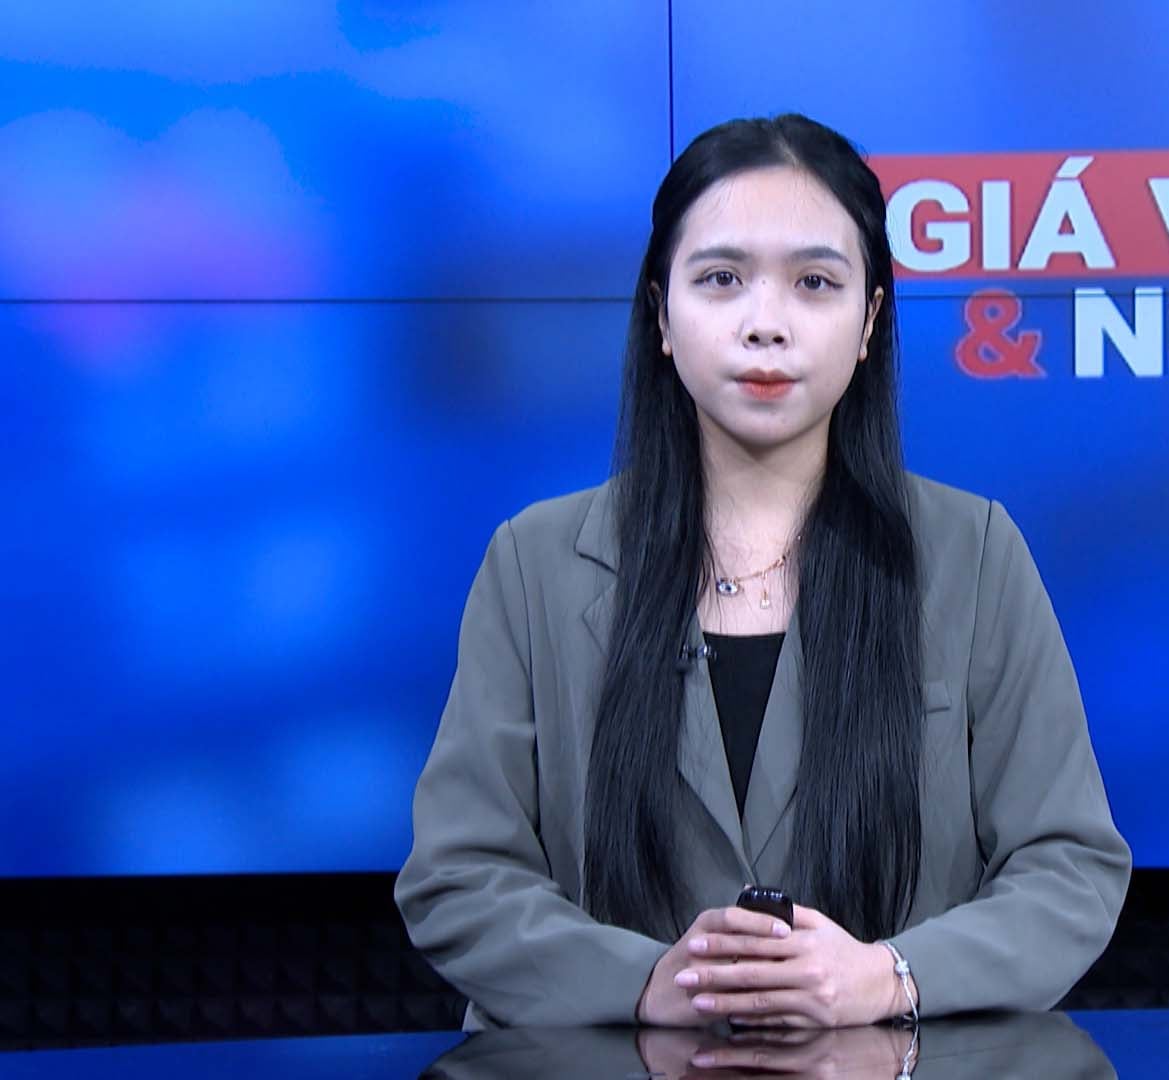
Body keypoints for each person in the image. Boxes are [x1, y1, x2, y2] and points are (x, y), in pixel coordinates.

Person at [394, 113, 1130, 1031]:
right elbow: (459, 877)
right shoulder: (533, 562)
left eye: (815, 283)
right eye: (721, 279)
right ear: (662, 314)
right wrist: (646, 984)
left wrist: (887, 978)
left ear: (869, 321)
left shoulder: (974, 553)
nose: (766, 325)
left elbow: (1069, 870)